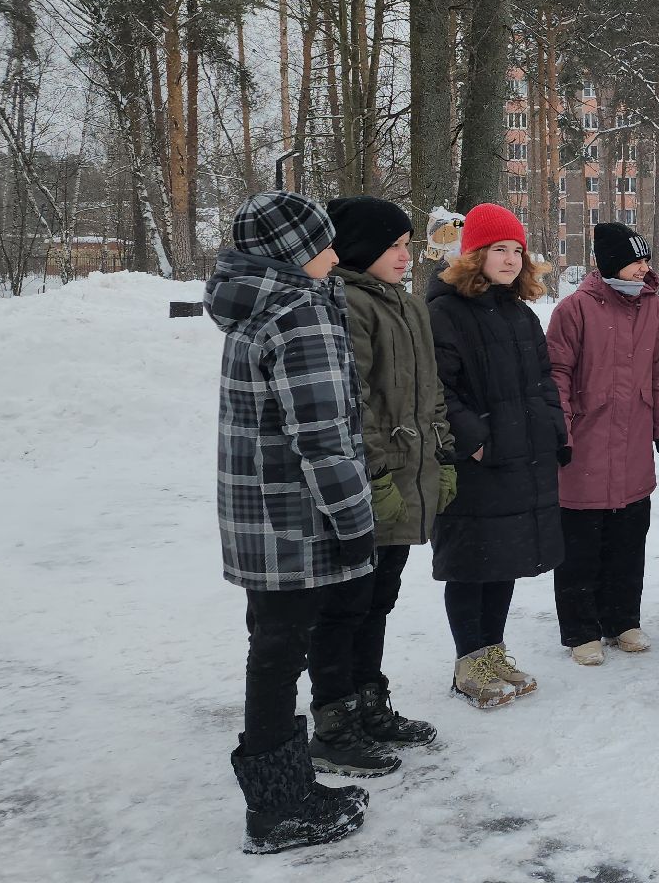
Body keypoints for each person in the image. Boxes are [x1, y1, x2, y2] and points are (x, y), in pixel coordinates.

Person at [206, 190, 373, 853]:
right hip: (296, 514)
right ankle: (276, 808)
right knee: (279, 652)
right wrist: (352, 515)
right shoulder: (299, 313)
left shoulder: (253, 306)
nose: (334, 255)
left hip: (258, 511)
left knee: (273, 647)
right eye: (321, 244)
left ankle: (287, 787)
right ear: (291, 254)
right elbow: (322, 434)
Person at [426, 203, 569, 707]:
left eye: (516, 250)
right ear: (473, 254)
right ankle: (470, 660)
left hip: (523, 454)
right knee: (472, 562)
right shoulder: (444, 311)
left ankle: (492, 649)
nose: (510, 259)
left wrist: (556, 430)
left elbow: (543, 383)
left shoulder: (519, 312)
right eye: (498, 249)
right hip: (478, 463)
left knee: (504, 557)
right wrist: (477, 440)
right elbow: (439, 389)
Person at [325, 196, 454, 752]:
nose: (405, 256)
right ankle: (337, 715)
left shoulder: (406, 303)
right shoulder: (348, 304)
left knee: (381, 599)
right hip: (374, 484)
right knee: (349, 605)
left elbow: (433, 392)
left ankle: (370, 698)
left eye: (406, 245)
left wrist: (443, 455)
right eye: (393, 246)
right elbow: (355, 405)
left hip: (411, 477)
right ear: (362, 248)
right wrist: (375, 474)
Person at [546, 222, 659, 665]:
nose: (645, 268)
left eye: (646, 260)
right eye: (636, 260)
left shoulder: (653, 308)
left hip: (634, 441)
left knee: (628, 540)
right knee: (581, 545)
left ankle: (621, 619)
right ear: (609, 265)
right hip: (585, 442)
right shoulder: (574, 310)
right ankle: (581, 629)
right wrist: (560, 432)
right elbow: (556, 375)